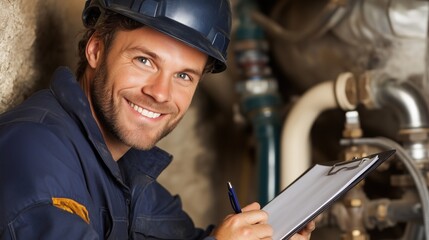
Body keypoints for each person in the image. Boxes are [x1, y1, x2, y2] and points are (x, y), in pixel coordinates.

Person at [0, 0, 315, 239]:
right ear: (96, 50)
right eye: (144, 60)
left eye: (183, 75)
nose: (161, 93)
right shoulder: (34, 155)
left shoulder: (122, 167)